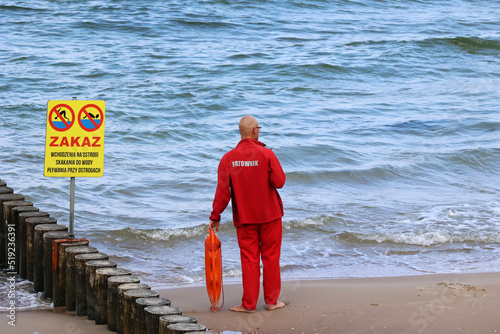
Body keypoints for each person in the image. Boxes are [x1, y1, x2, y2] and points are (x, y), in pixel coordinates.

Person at [208, 115, 286, 313]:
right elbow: (280, 182)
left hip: (245, 218)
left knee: (249, 260)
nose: (259, 130)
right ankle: (271, 302)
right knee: (271, 257)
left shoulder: (228, 158)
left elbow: (223, 191)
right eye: (258, 127)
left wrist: (215, 216)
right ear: (253, 131)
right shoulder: (266, 154)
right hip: (270, 216)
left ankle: (249, 304)